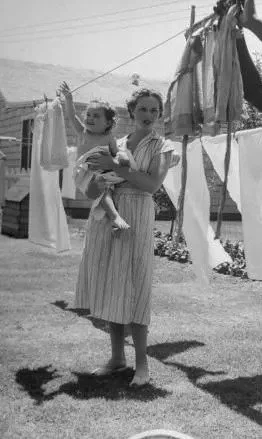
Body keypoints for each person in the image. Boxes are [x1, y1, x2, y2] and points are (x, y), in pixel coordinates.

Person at [75, 88, 180, 387]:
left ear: (159, 115)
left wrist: (113, 166)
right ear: (131, 112)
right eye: (143, 109)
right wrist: (94, 178)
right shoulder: (116, 143)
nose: (148, 115)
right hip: (109, 213)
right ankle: (117, 357)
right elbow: (95, 186)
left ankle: (142, 365)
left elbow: (151, 184)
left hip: (138, 212)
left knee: (135, 284)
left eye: (154, 111)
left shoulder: (163, 145)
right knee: (113, 283)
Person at [59, 81, 131, 230]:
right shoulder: (82, 132)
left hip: (102, 172)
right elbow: (72, 116)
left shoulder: (109, 137)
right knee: (102, 187)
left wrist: (122, 159)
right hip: (83, 173)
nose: (90, 118)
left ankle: (112, 220)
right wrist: (69, 99)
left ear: (108, 123)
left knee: (109, 189)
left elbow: (115, 155)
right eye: (88, 115)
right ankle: (114, 216)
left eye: (96, 116)